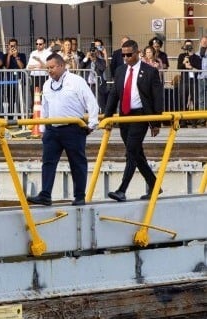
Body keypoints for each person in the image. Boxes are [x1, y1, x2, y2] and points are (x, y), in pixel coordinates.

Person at [26, 54, 99, 207]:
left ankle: (79, 196)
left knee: (77, 162)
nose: (49, 71)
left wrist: (92, 124)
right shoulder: (47, 84)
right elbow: (45, 108)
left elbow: (91, 101)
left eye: (51, 67)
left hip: (73, 128)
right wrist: (43, 128)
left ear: (61, 65)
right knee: (48, 162)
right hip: (52, 129)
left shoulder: (76, 81)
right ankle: (45, 194)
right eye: (47, 68)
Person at [104, 40, 163, 202]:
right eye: (123, 55)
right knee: (137, 153)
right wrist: (107, 117)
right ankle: (154, 184)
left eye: (129, 55)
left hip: (141, 115)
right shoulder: (120, 70)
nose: (126, 58)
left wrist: (156, 122)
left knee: (131, 151)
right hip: (125, 116)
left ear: (138, 53)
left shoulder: (150, 71)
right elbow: (114, 94)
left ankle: (122, 190)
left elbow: (158, 97)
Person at [177, 39, 201, 127]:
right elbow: (179, 68)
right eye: (186, 45)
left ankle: (194, 122)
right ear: (184, 46)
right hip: (184, 81)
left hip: (194, 81)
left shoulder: (196, 57)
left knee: (195, 101)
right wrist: (184, 63)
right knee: (183, 101)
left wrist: (191, 66)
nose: (188, 47)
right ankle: (183, 122)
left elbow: (199, 69)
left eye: (189, 45)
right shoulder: (181, 56)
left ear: (192, 46)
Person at [80, 42, 108, 112]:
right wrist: (87, 57)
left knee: (99, 103)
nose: (93, 53)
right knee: (87, 103)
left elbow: (102, 68)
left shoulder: (101, 60)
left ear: (97, 52)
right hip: (88, 84)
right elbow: (80, 66)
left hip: (97, 85)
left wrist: (95, 60)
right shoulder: (87, 61)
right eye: (92, 51)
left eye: (94, 51)